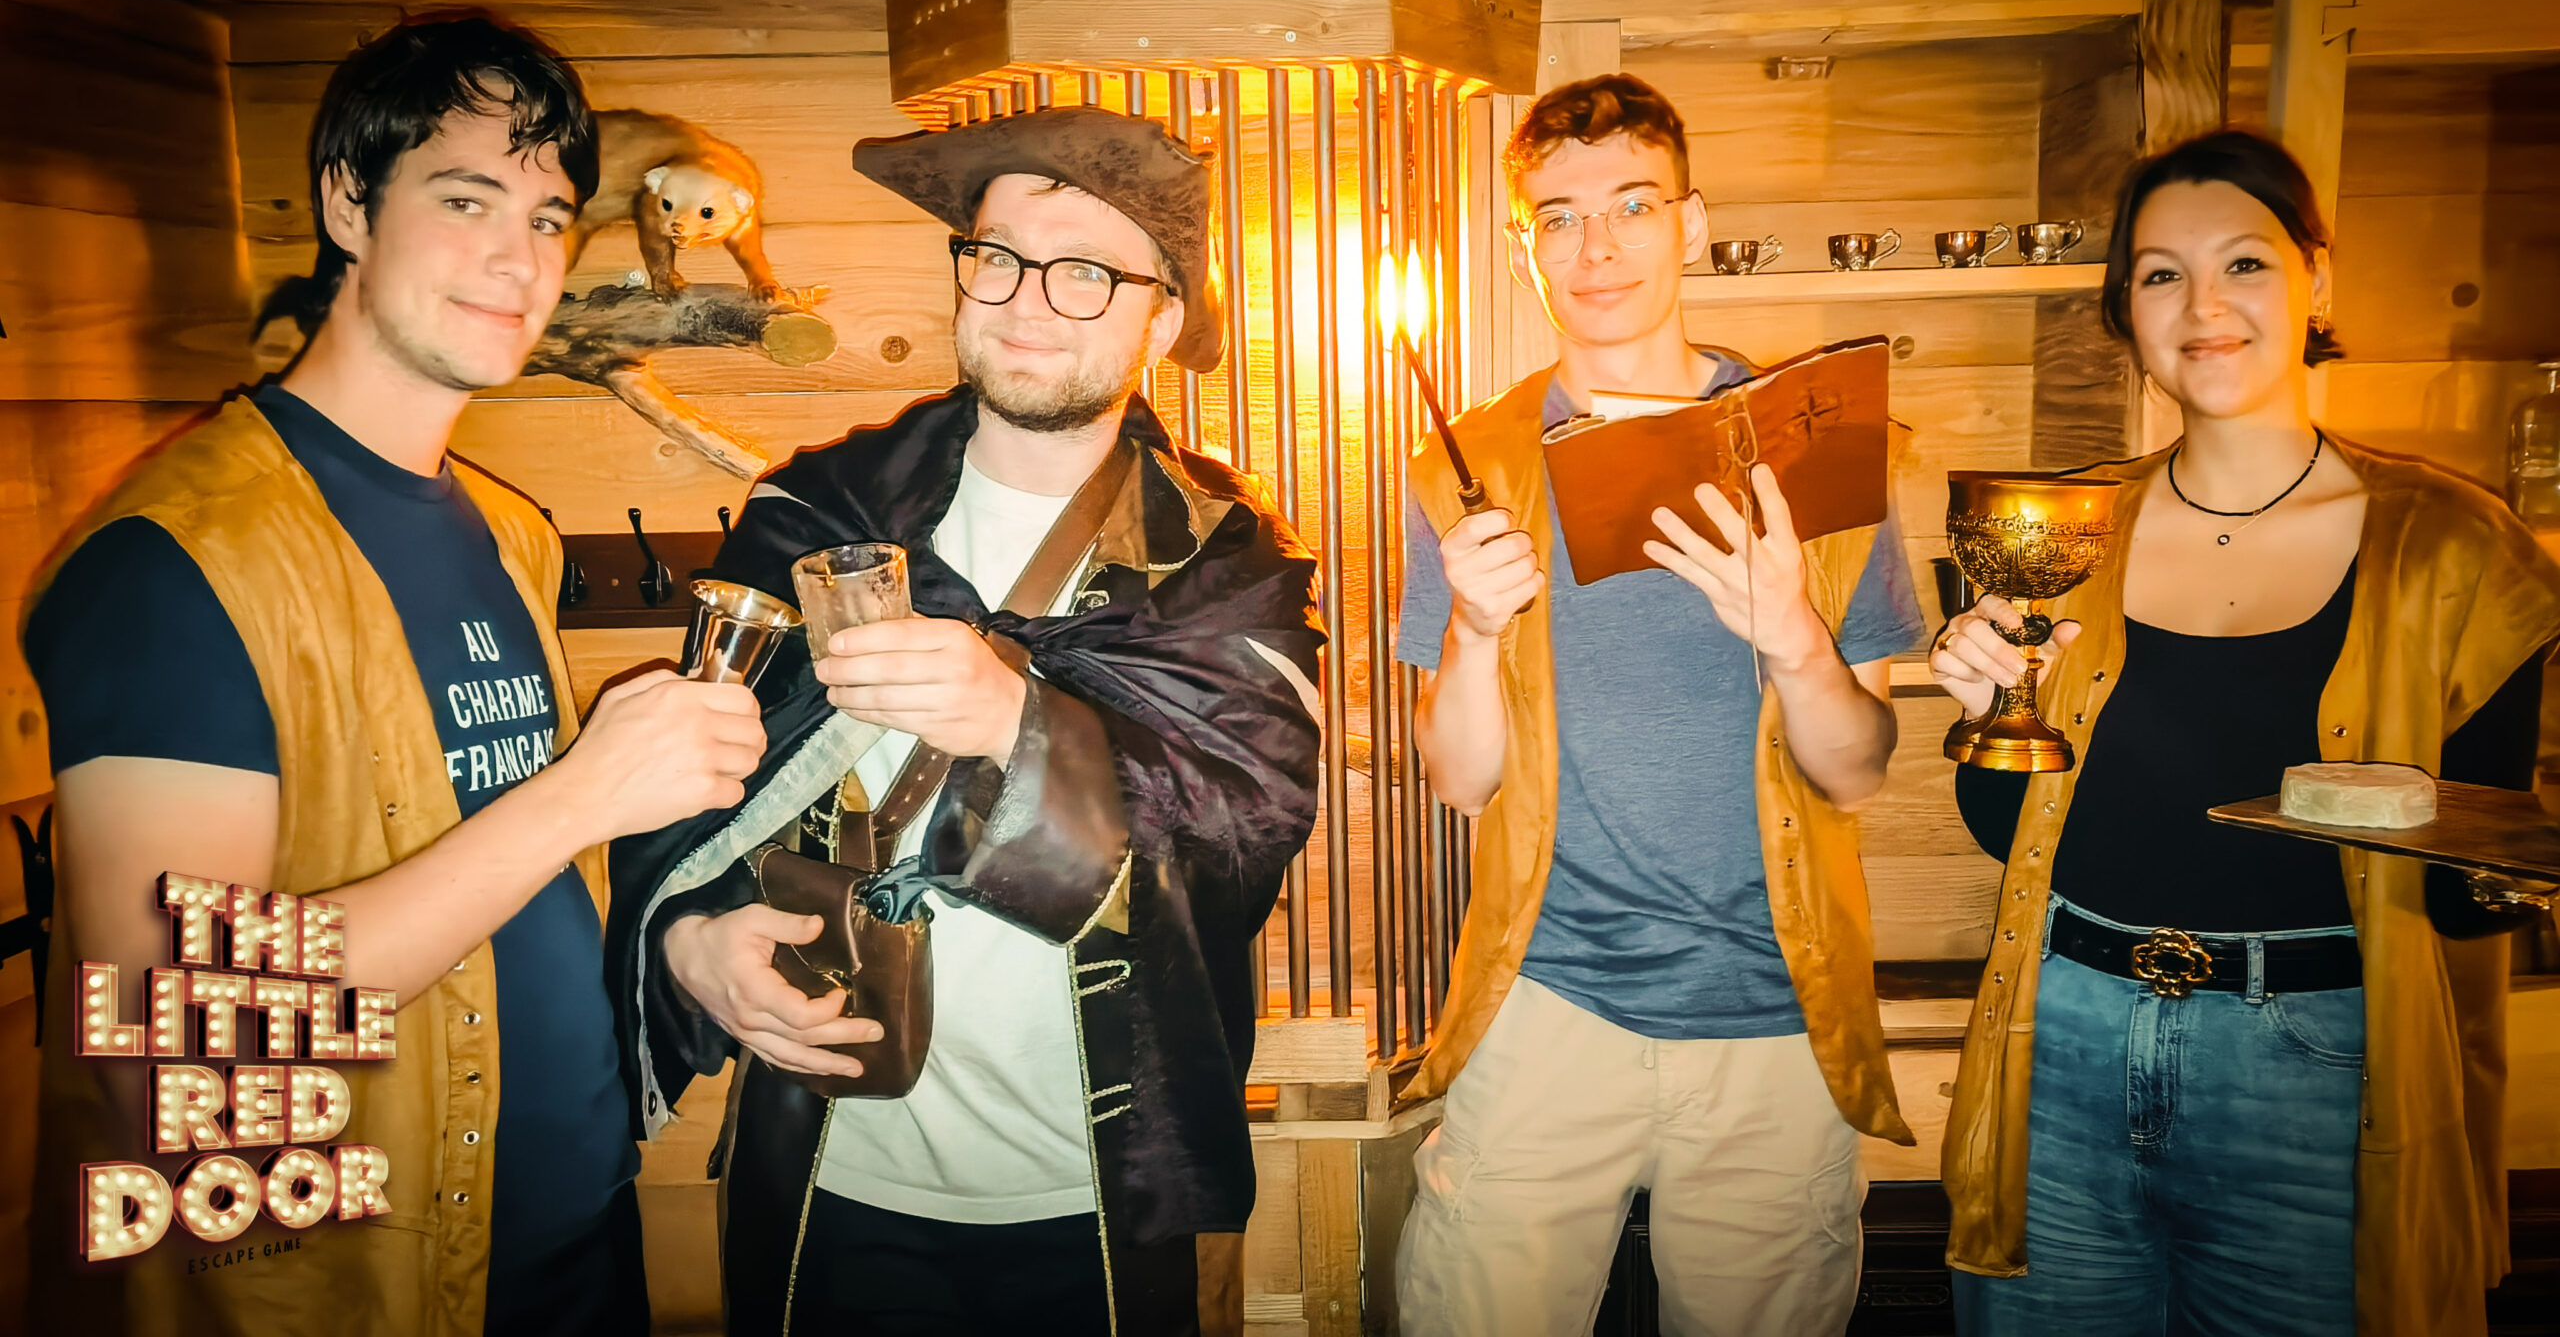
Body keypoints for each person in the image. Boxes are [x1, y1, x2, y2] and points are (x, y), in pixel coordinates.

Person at [22, 15, 766, 1336]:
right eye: (464, 199)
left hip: (574, 1243)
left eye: (547, 218)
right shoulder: (175, 562)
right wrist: (580, 796)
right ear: (347, 206)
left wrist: (680, 947)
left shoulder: (508, 531)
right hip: (353, 1287)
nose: (517, 259)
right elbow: (179, 1033)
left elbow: (501, 890)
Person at [606, 105, 1325, 1337]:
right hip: (827, 1165)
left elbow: (1239, 840)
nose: (1028, 300)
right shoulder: (813, 517)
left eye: (1087, 272)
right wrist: (686, 940)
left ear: (1162, 317)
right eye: (998, 256)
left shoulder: (1227, 565)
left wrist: (1016, 719)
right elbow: (687, 788)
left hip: (1104, 1186)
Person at [1933, 128, 2560, 1337]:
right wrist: (1985, 718)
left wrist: (2510, 859)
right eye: (2160, 274)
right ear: (2125, 310)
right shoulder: (2070, 528)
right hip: (2064, 1038)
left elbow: (2467, 902)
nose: (2203, 306)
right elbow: (2015, 837)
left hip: (2320, 1071)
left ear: (2315, 281)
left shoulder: (2450, 544)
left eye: (2244, 264)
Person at [1391, 72, 1922, 1337]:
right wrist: (1473, 628)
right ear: (1523, 247)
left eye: (1633, 205)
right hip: (1543, 1006)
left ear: (1691, 224)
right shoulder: (1466, 465)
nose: (1597, 247)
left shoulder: (1823, 444)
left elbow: (1856, 771)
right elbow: (1460, 781)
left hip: (1776, 1019)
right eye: (1558, 217)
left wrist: (1793, 641)